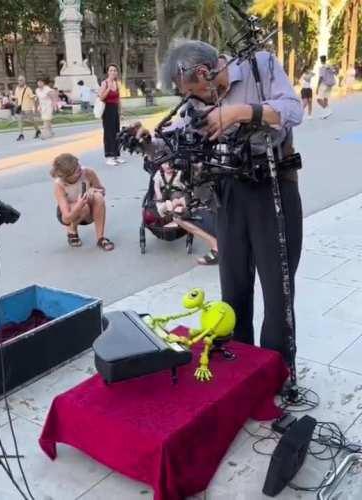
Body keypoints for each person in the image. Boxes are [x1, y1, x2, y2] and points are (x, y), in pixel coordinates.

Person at [135, 40, 303, 367]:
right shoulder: (196, 103)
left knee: (277, 290)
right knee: (234, 287)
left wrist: (241, 112)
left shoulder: (260, 65)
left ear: (204, 72)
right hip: (227, 190)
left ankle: (277, 371)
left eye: (193, 90)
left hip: (273, 186)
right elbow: (176, 138)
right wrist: (145, 142)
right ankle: (241, 370)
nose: (193, 99)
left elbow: (294, 110)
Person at [51, 153, 115, 251]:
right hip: (70, 214)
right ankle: (72, 229)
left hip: (89, 211)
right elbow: (67, 217)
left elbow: (102, 190)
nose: (81, 169)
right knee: (83, 207)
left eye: (79, 166)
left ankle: (100, 238)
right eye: (77, 171)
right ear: (67, 176)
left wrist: (94, 190)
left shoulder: (88, 172)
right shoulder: (59, 185)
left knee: (98, 197)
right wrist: (79, 204)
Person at [99, 64, 125, 166]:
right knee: (108, 133)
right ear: (108, 72)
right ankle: (109, 156)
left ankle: (116, 155)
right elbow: (101, 97)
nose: (113, 72)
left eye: (115, 70)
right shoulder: (104, 83)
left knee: (116, 132)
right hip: (107, 110)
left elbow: (118, 99)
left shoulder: (117, 83)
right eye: (111, 70)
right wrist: (108, 88)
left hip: (115, 109)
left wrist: (121, 111)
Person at [14, 75, 41, 141]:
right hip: (20, 108)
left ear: (24, 81)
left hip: (28, 108)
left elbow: (33, 97)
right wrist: (16, 107)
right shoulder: (17, 88)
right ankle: (21, 135)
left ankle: (38, 130)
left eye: (21, 80)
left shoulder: (28, 89)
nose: (19, 81)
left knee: (31, 121)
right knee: (19, 120)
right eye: (19, 80)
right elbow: (17, 98)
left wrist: (35, 107)